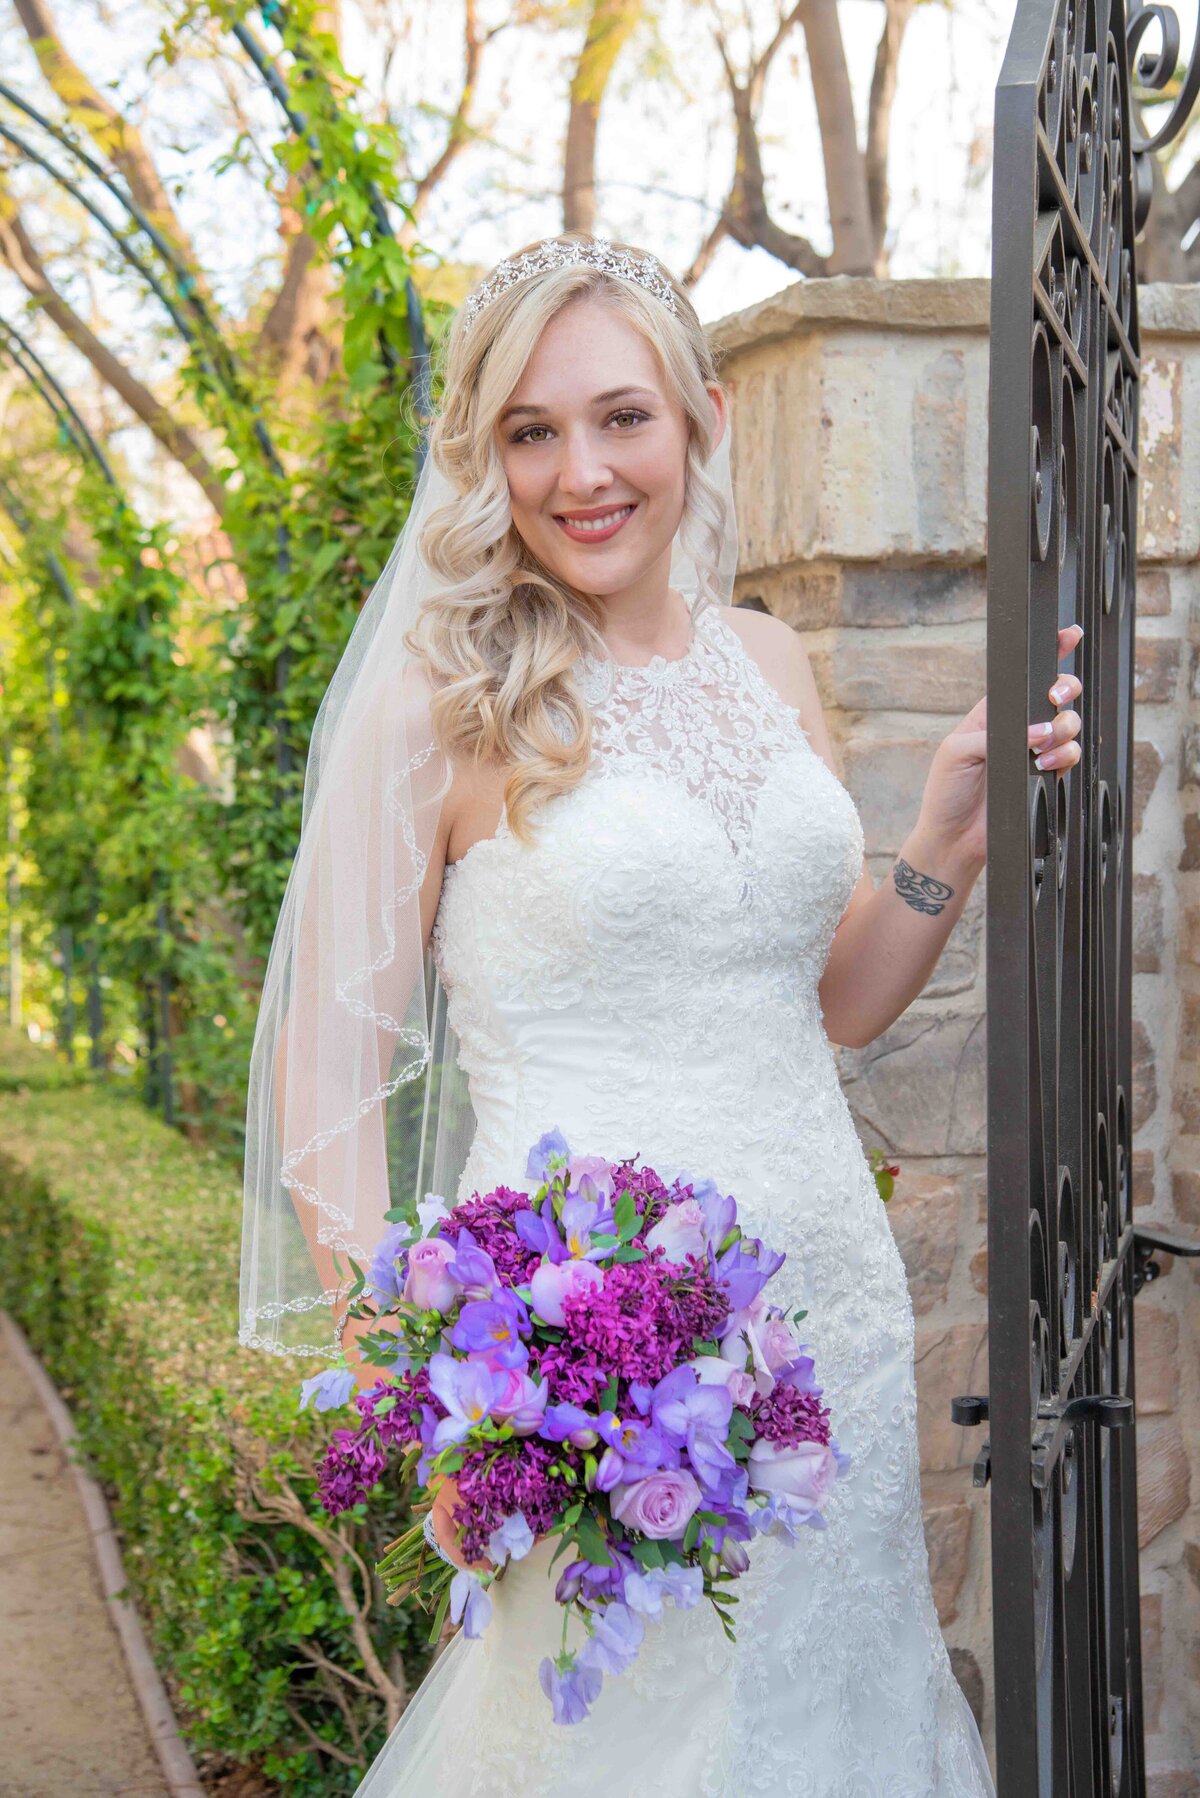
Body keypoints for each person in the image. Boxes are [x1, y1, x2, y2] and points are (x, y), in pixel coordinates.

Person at [241, 234, 1083, 1795]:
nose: (582, 473)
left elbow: (828, 1004)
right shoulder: (446, 699)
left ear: (701, 418)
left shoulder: (765, 657)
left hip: (828, 1329)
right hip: (599, 1387)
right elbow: (323, 1086)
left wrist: (946, 835)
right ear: (485, 457)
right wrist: (436, 1388)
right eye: (531, 431)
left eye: (621, 417)